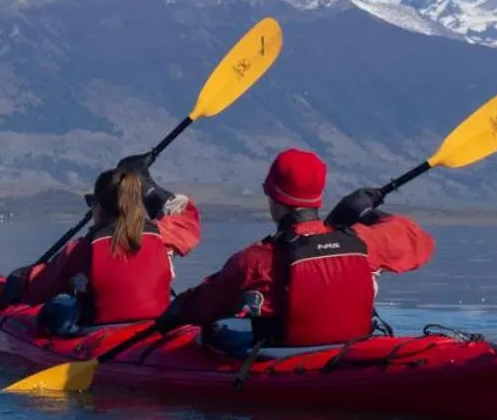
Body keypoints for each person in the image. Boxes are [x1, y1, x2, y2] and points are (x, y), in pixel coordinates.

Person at [158, 148, 434, 348]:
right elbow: (416, 238)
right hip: (349, 349)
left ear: (274, 199)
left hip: (285, 359)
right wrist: (366, 212)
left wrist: (167, 318)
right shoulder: (362, 242)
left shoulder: (257, 260)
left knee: (215, 333)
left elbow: (201, 304)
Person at [7, 162, 201, 335]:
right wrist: (150, 187)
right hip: (154, 328)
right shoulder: (162, 235)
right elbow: (187, 218)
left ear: (98, 206)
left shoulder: (82, 249)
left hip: (101, 335)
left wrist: (20, 280)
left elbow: (39, 289)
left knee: (58, 309)